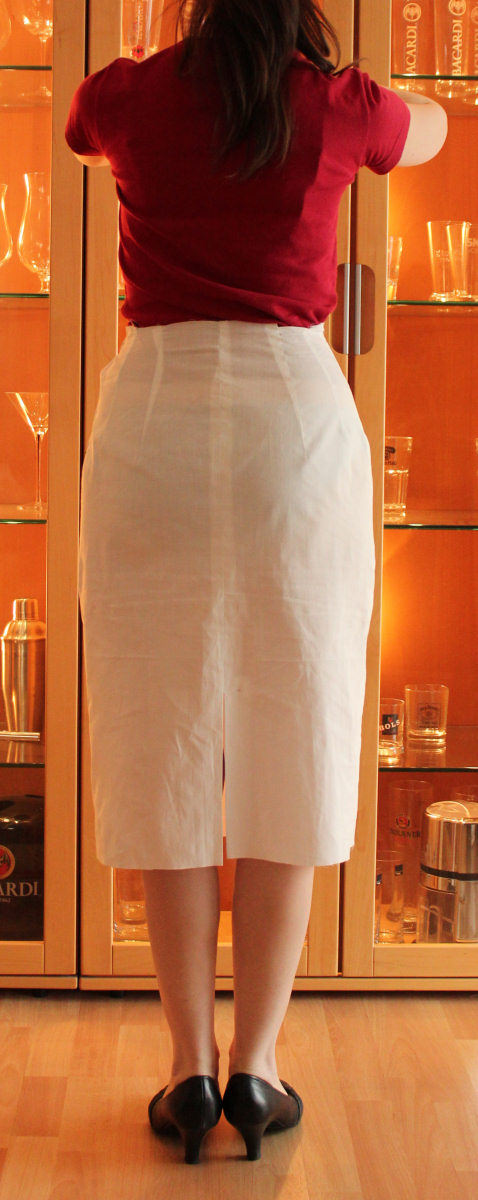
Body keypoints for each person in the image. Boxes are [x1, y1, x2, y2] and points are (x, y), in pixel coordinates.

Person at [65, 0, 447, 1166]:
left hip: (154, 427)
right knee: (296, 729)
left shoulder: (128, 92)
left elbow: (78, 126)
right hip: (291, 431)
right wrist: (371, 90)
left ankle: (186, 1067)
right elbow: (428, 128)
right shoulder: (337, 103)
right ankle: (257, 1067)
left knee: (163, 737)